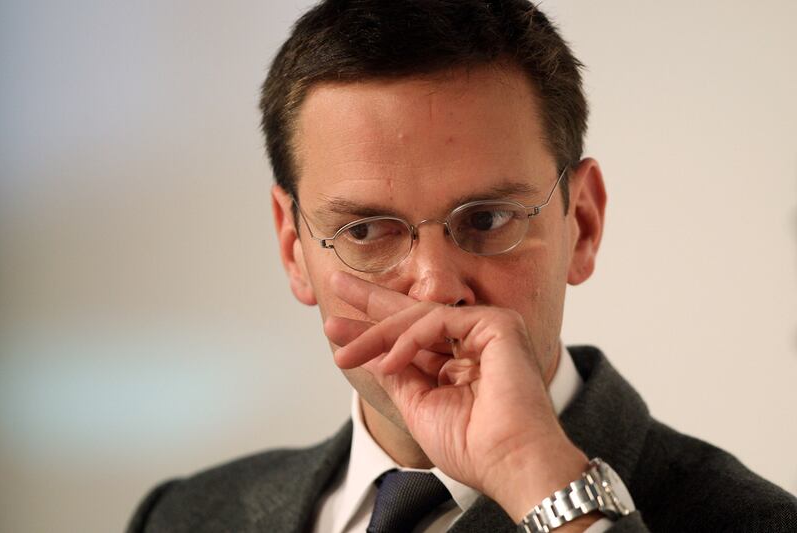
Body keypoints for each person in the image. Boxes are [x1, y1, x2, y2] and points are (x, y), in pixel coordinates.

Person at [127, 1, 797, 531]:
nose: (434, 287)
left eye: (487, 219)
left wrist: (539, 479)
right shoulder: (181, 517)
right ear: (292, 245)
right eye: (365, 230)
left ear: (584, 224)